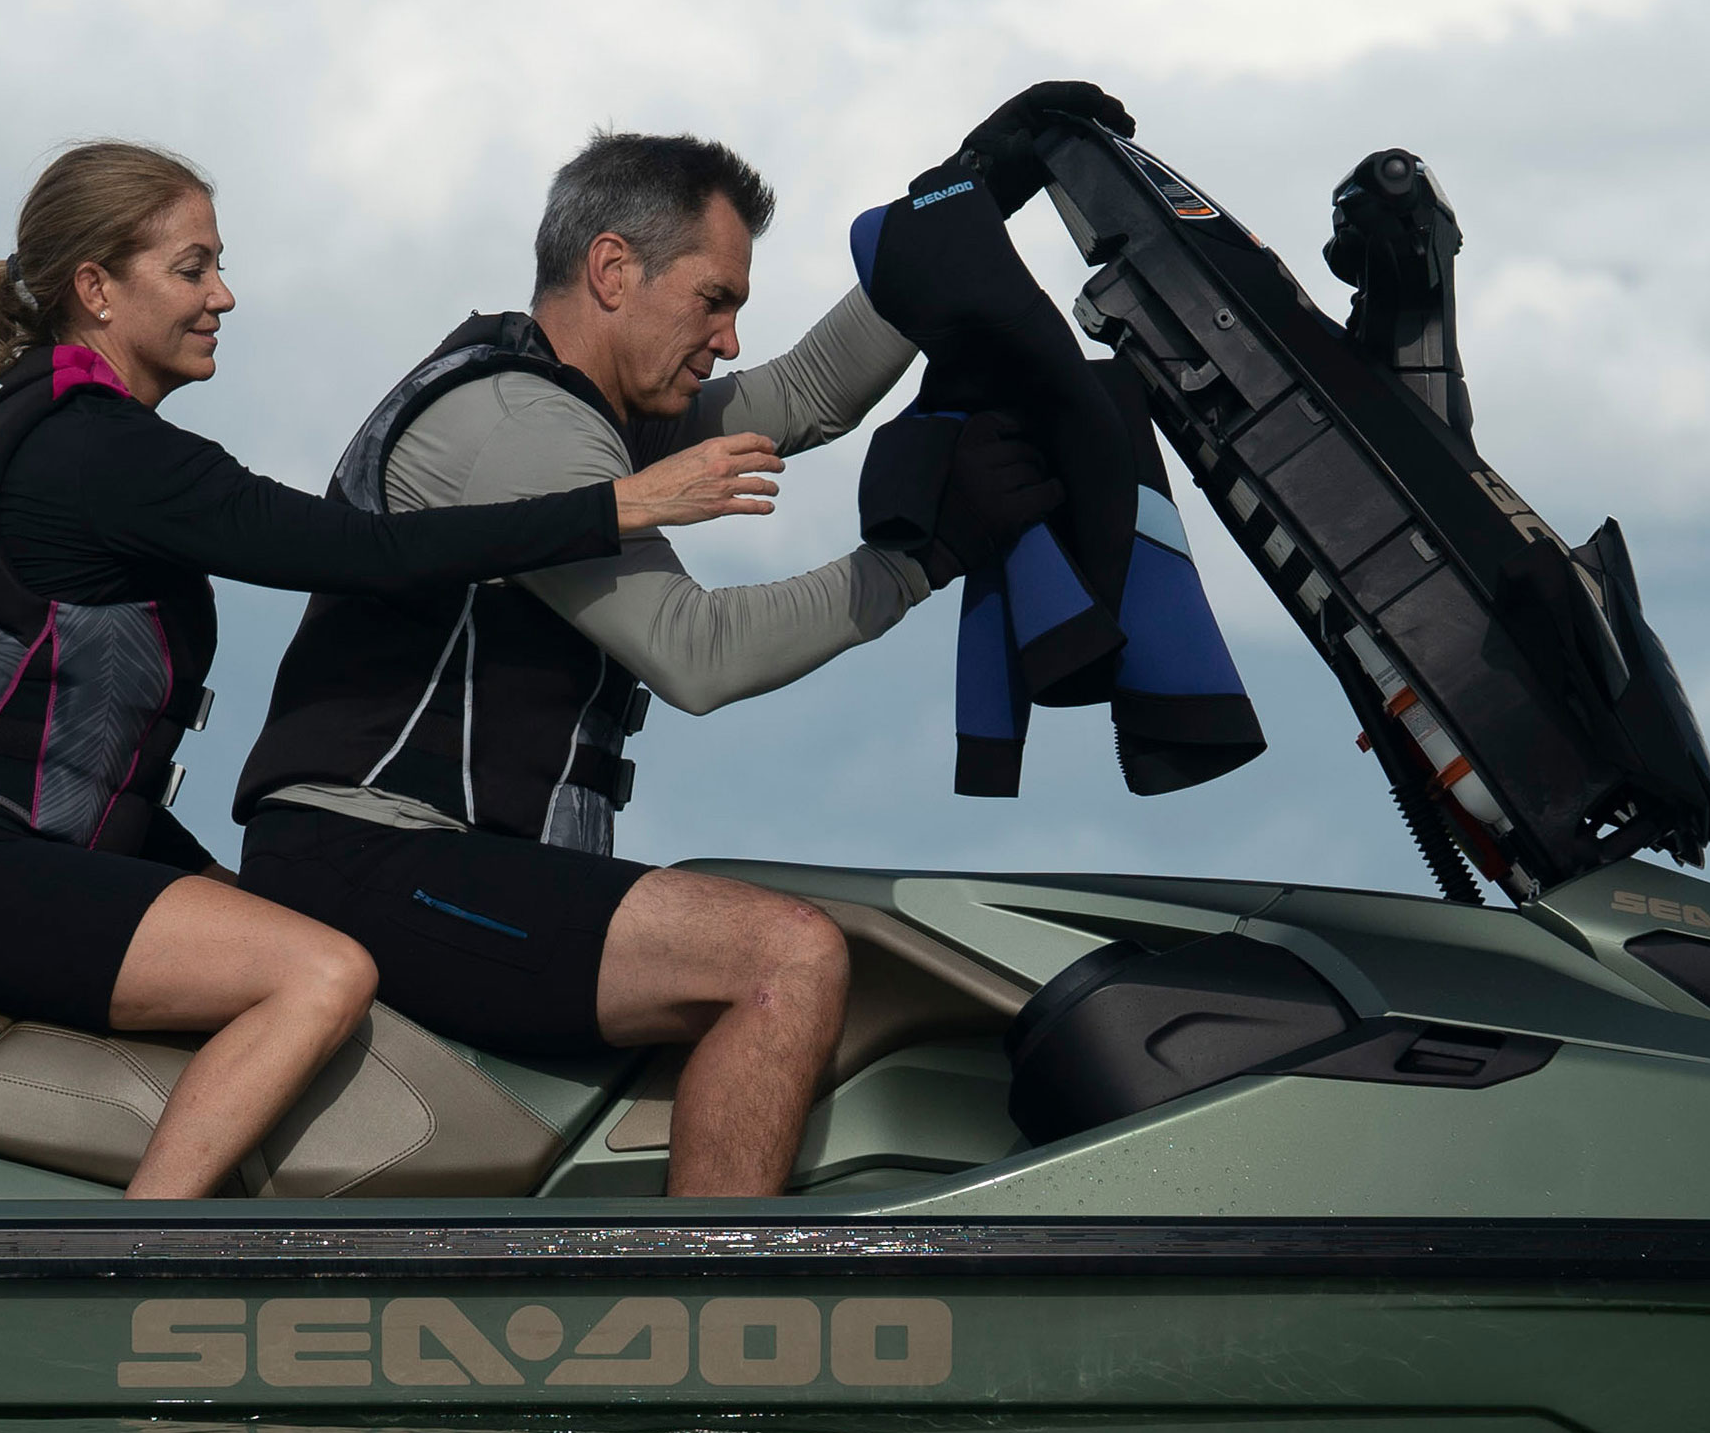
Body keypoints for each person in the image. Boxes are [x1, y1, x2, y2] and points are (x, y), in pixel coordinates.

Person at [0, 141, 773, 1200]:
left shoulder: (34, 422)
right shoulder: (91, 449)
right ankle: (138, 1269)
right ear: (96, 288)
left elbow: (74, 759)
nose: (222, 295)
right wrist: (618, 506)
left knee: (295, 940)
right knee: (320, 970)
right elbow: (357, 550)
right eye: (191, 269)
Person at [232, 87, 1126, 1199]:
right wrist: (921, 561)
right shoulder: (515, 426)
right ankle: (717, 1323)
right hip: (368, 864)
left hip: (445, 861)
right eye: (712, 300)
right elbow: (694, 652)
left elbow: (801, 394)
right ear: (612, 270)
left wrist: (959, 201)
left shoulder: (590, 412)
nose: (729, 337)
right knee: (782, 954)